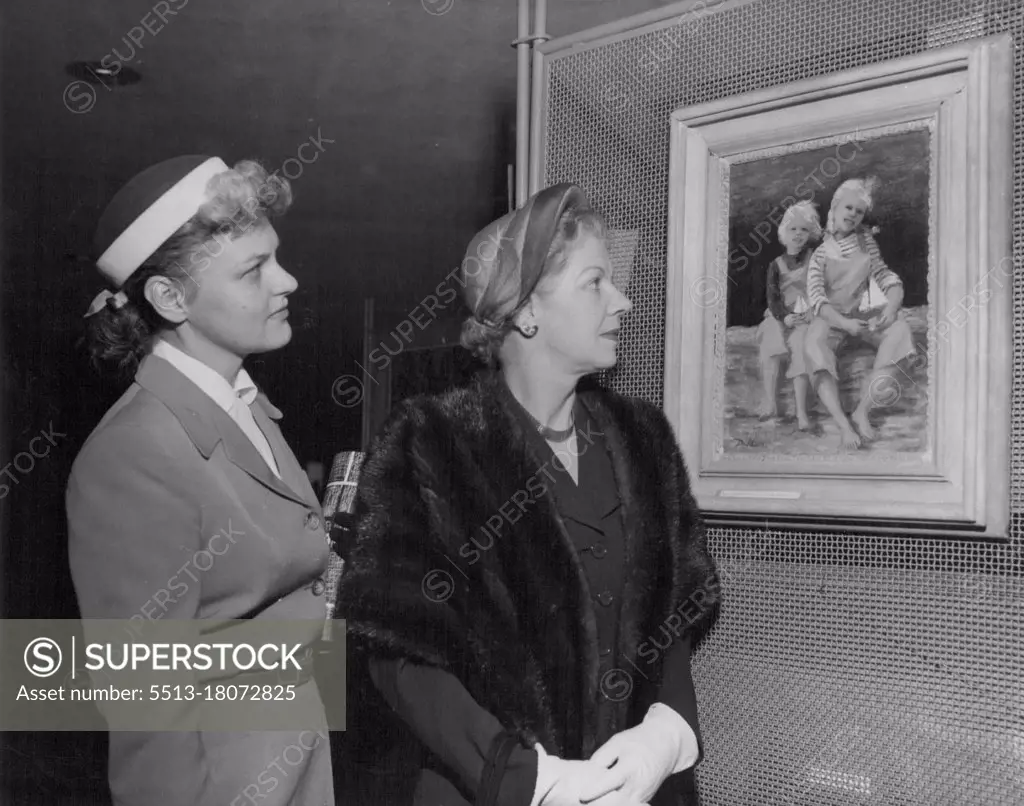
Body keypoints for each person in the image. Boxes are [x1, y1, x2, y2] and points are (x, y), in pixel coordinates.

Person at [336, 183, 721, 806]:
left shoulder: (643, 439)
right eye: (595, 282)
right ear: (526, 311)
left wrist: (668, 731)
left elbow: (670, 608)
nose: (621, 303)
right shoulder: (430, 443)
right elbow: (397, 650)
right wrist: (527, 780)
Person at [66, 155, 334, 806]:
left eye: (278, 256)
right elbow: (148, 720)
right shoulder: (133, 453)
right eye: (253, 269)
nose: (288, 280)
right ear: (170, 298)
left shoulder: (243, 404)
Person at [804, 176, 915, 447]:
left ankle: (862, 411)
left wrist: (892, 305)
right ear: (835, 208)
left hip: (860, 315)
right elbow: (817, 299)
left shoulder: (867, 243)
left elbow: (884, 274)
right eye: (848, 208)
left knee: (900, 330)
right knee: (814, 345)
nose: (853, 215)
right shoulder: (820, 254)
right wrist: (843, 324)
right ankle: (843, 425)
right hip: (830, 319)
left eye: (859, 211)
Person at [755, 201, 820, 429]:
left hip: (805, 317)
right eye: (793, 229)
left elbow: (819, 288)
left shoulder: (815, 259)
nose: (799, 234)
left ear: (810, 232)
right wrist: (783, 317)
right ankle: (770, 402)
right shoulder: (776, 264)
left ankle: (801, 412)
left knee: (801, 345)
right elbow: (772, 298)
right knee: (770, 337)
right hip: (780, 315)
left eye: (804, 229)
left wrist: (812, 311)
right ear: (784, 232)